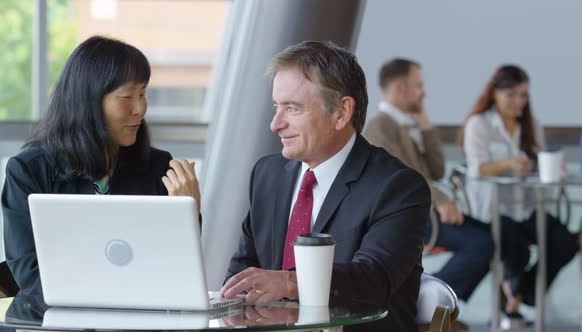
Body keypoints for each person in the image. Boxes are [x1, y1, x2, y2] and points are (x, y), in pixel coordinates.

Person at [220, 41, 430, 332]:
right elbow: (242, 274)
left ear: (341, 112)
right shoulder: (267, 174)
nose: (275, 124)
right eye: (276, 107)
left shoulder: (398, 187)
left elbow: (373, 280)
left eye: (292, 108)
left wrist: (289, 282)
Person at [2, 36, 201, 296]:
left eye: (142, 93)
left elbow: (178, 271)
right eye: (128, 96)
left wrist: (188, 211)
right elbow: (31, 277)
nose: (140, 108)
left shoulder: (159, 167)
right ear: (89, 101)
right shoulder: (28, 171)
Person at [362, 58, 494, 309]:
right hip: (411, 218)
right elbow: (402, 178)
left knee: (492, 235)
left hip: (426, 211)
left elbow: (436, 169)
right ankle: (429, 305)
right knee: (480, 244)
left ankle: (434, 307)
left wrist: (425, 126)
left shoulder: (406, 123)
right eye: (419, 86)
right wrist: (442, 200)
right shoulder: (380, 126)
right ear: (400, 88)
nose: (424, 93)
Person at [460, 64, 578, 320]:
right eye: (511, 94)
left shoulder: (531, 124)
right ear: (495, 93)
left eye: (523, 95)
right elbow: (477, 169)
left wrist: (551, 167)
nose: (518, 101)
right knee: (515, 248)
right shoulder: (478, 124)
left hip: (525, 206)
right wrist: (508, 163)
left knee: (565, 242)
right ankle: (513, 297)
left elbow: (537, 162)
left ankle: (521, 293)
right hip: (491, 211)